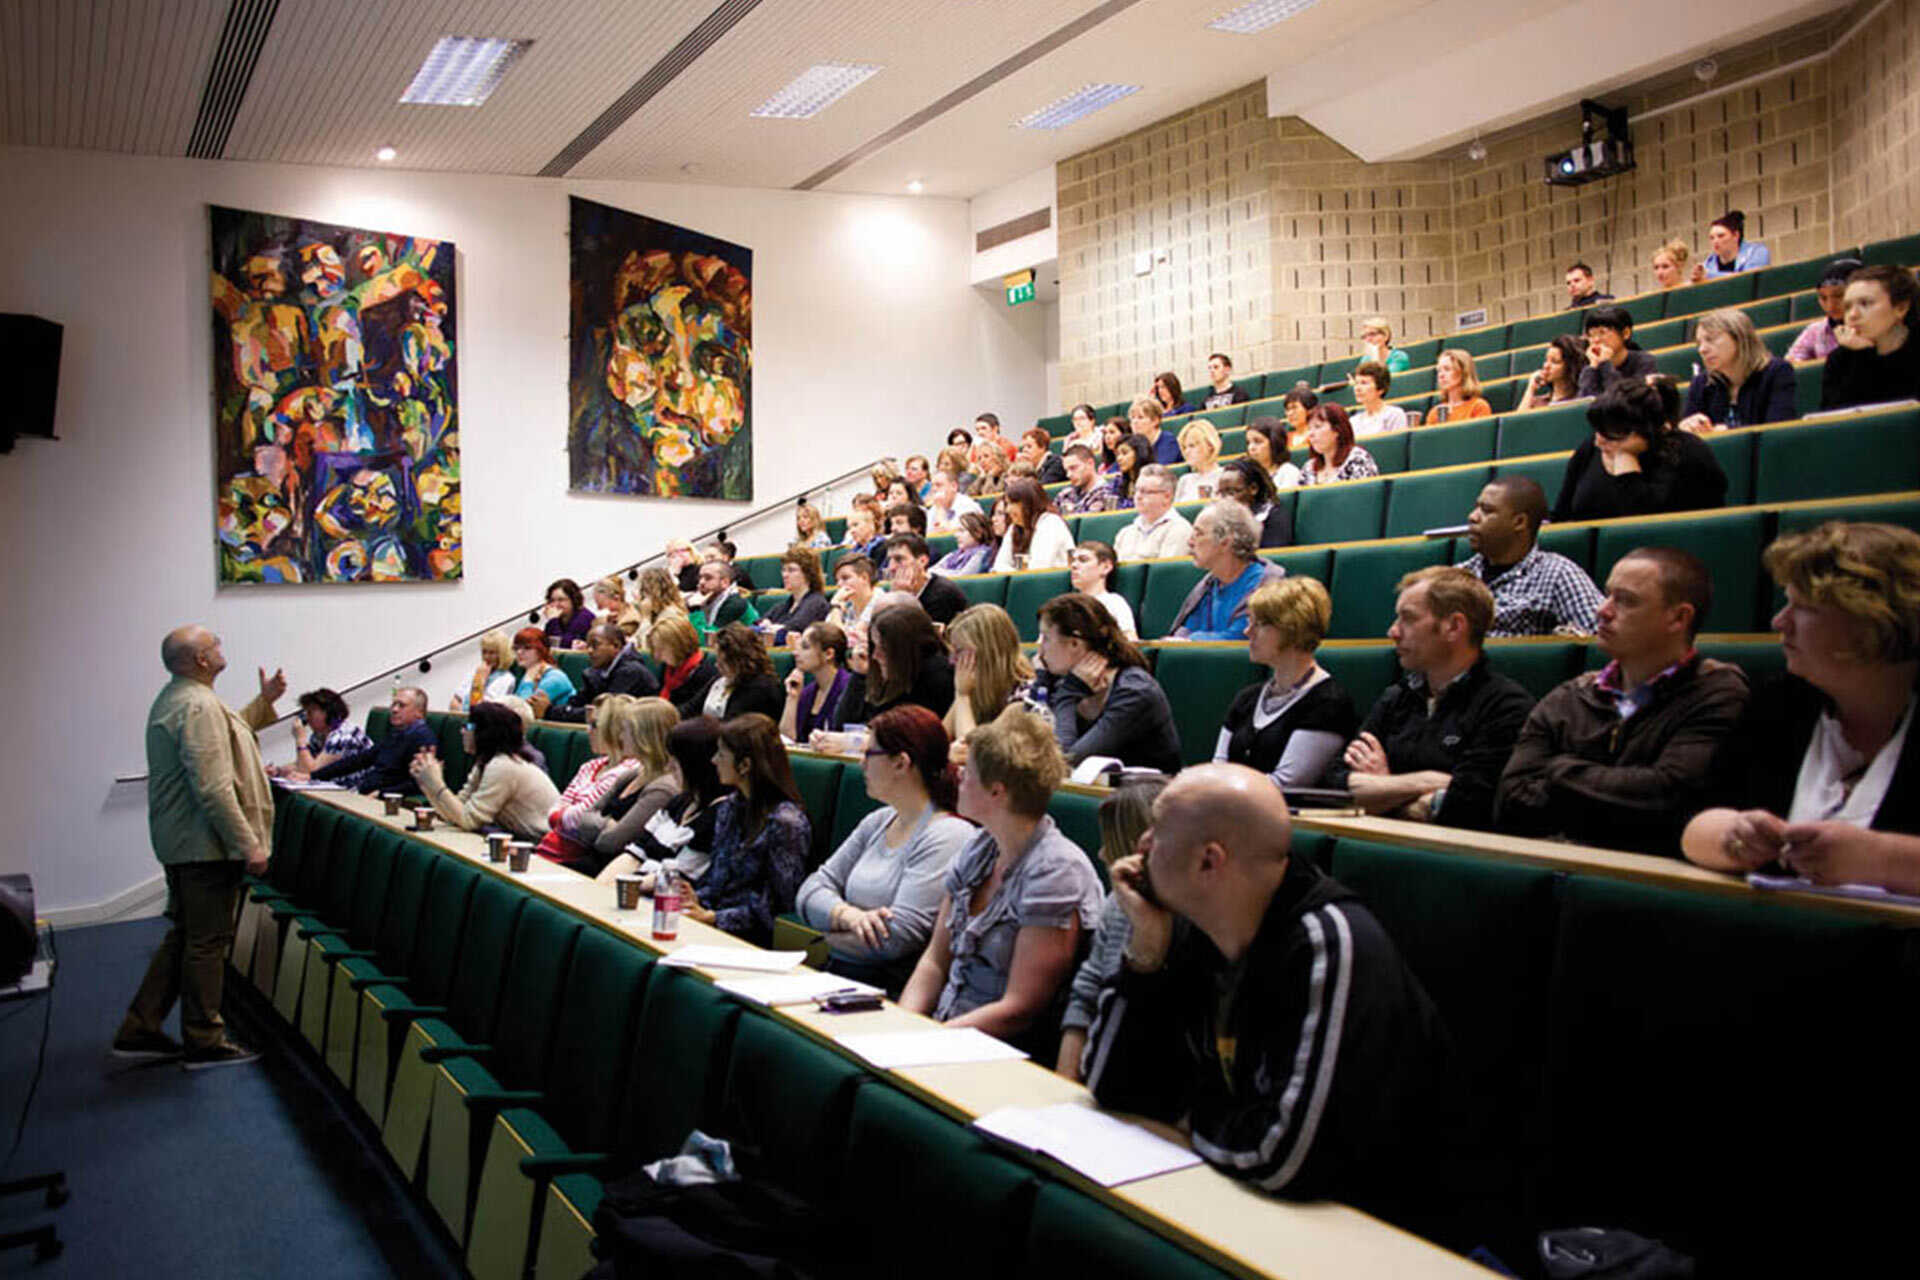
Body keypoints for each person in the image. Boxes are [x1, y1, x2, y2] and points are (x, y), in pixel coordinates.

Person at [1080, 764, 1455, 1226]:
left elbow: (1281, 1157)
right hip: (1243, 1202)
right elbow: (1111, 1086)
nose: (1141, 845)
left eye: (1157, 830)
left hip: (1369, 1232)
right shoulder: (1187, 927)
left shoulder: (1332, 945)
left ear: (1208, 861)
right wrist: (1146, 951)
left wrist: (1185, 1119)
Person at [1683, 522, 1920, 889]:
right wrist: (1733, 836)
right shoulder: (1779, 702)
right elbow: (1694, 824)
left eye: (1803, 607)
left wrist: (1882, 858)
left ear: (1873, 619)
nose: (1780, 621)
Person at [1498, 548, 1750, 855]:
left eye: (1626, 600)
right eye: (1607, 595)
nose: (1602, 610)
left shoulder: (1717, 694)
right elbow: (1510, 801)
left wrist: (1557, 770)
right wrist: (1619, 796)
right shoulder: (1569, 696)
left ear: (1678, 617)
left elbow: (1670, 799)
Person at [113, 627, 284, 1067]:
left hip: (184, 841)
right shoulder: (198, 705)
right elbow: (213, 787)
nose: (222, 648)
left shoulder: (182, 697)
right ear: (203, 660)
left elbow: (230, 734)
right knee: (208, 942)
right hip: (203, 846)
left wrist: (264, 702)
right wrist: (249, 844)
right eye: (216, 645)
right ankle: (204, 1039)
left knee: (187, 936)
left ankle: (141, 1026)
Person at [898, 706, 1103, 1040]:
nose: (958, 776)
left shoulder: (1057, 872)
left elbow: (1020, 1008)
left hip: (1000, 1051)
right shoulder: (979, 847)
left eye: (969, 771)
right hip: (943, 1033)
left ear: (997, 791)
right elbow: (935, 961)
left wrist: (926, 1040)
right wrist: (901, 1028)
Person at [1327, 567, 1535, 829]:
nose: (1393, 631)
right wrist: (1425, 782)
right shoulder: (1396, 698)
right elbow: (1334, 784)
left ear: (1453, 626)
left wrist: (1382, 789)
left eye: (1408, 619)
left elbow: (1469, 806)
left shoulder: (1506, 707)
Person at [796, 706, 975, 991]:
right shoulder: (878, 820)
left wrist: (828, 932)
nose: (861, 764)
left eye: (869, 754)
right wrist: (849, 916)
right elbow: (811, 888)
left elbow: (895, 940)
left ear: (901, 763)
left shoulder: (948, 835)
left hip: (889, 989)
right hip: (840, 974)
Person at [1054, 779, 1164, 1080]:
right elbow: (1085, 995)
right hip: (1092, 1078)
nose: (1101, 853)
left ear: (1139, 846)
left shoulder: (1191, 924)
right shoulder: (1115, 904)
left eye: (1110, 842)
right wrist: (1065, 1085)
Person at [1215, 577, 1358, 788]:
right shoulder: (1247, 698)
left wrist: (1217, 788)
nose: (1247, 632)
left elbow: (1286, 784)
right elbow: (1218, 766)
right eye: (1248, 622)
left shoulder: (1328, 703)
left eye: (1260, 624)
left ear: (1292, 628)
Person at [680, 714, 810, 947]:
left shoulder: (786, 823)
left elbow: (780, 907)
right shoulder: (729, 806)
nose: (713, 760)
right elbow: (717, 877)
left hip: (750, 936)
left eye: (721, 754)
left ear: (745, 765)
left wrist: (712, 918)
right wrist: (695, 896)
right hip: (713, 920)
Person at [1034, 593, 1182, 773]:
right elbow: (1024, 748)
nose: (1040, 650)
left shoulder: (1134, 691)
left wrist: (1067, 695)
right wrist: (1041, 681)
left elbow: (1065, 762)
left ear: (1075, 643)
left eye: (1046, 638)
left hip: (1145, 796)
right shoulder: (1063, 681)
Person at [1551, 381, 1729, 523]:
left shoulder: (1688, 453)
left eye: (1611, 435)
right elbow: (1562, 515)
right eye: (1597, 430)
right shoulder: (1590, 448)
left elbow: (1644, 526)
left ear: (1645, 431)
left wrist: (1625, 461)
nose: (1599, 441)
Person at [596, 716, 734, 889]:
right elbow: (634, 854)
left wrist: (622, 888)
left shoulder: (720, 816)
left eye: (675, 763)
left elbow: (677, 877)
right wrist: (600, 888)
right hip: (633, 889)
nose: (668, 768)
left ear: (696, 767)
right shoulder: (678, 802)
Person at [1458, 477, 1603, 636]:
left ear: (1519, 522)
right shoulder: (1457, 575)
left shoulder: (1558, 574)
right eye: (1476, 507)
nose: (1472, 517)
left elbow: (1600, 634)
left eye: (1487, 510)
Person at [554, 697, 683, 876]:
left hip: (610, 873)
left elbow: (609, 843)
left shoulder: (663, 788)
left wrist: (602, 825)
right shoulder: (632, 774)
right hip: (588, 862)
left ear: (644, 736)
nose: (621, 737)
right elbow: (583, 819)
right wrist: (609, 824)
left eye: (626, 731)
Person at [411, 701, 562, 839]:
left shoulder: (503, 765)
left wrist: (437, 783)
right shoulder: (486, 762)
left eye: (469, 727)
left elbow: (468, 820)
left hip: (542, 844)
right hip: (523, 839)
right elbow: (453, 813)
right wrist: (427, 783)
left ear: (486, 732)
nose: (462, 732)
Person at [534, 694, 641, 867]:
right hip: (549, 848)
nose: (587, 730)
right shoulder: (591, 766)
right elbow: (554, 811)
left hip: (578, 860)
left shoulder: (628, 771)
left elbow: (582, 818)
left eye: (594, 725)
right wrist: (565, 816)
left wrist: (563, 816)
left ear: (613, 729)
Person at [1169, 502, 1289, 641]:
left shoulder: (1265, 584)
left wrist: (1190, 641)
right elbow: (1185, 630)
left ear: (1225, 542)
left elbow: (1242, 637)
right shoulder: (1208, 585)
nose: (1190, 542)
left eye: (1198, 534)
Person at [1678, 308, 1798, 432]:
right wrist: (1685, 428)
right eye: (1699, 343)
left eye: (1711, 339)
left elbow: (1778, 429)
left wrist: (1727, 431)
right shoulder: (1701, 383)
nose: (1702, 349)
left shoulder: (1777, 372)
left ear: (1739, 338)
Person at [1820, 263, 1920, 409]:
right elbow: (1836, 422)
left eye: (1865, 304)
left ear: (1901, 308)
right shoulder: (1840, 359)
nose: (1852, 315)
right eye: (1847, 307)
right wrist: (1863, 354)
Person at [944, 604, 1039, 755]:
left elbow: (977, 755)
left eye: (959, 651)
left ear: (987, 651)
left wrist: (963, 696)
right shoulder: (974, 686)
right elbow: (936, 743)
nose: (952, 660)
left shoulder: (1024, 697)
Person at [843, 602, 955, 725]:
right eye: (874, 646)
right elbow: (843, 724)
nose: (875, 656)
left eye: (884, 648)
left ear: (905, 648)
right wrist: (859, 675)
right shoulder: (896, 669)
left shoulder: (938, 679)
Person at [308, 686, 436, 793]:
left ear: (419, 712)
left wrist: (381, 794)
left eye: (401, 705)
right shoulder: (396, 734)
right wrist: (313, 777)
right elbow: (360, 760)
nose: (394, 709)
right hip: (368, 792)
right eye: (393, 704)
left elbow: (418, 783)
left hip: (387, 800)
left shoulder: (422, 738)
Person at [543, 622, 661, 724]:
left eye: (595, 645)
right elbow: (579, 702)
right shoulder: (598, 670)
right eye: (588, 646)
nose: (589, 651)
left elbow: (603, 714)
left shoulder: (630, 672)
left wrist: (550, 711)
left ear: (616, 646)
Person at [781, 622, 855, 742]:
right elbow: (787, 740)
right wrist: (792, 698)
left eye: (805, 647)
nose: (795, 653)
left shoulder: (849, 689)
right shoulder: (807, 692)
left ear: (828, 654)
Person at [701, 624, 785, 723]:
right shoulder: (723, 678)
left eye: (722, 662)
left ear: (737, 661)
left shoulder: (760, 688)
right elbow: (691, 708)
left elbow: (730, 727)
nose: (716, 665)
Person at [1786, 258, 1863, 363]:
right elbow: (1792, 362)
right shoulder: (1815, 331)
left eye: (1839, 296)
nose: (1830, 306)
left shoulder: (1877, 328)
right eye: (1823, 298)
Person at [1574, 308, 1656, 405]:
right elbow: (1584, 403)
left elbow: (1624, 401)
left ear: (1626, 333)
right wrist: (1592, 367)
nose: (1595, 340)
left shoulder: (1644, 361)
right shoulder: (1591, 367)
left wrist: (1605, 364)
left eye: (1602, 333)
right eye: (1591, 335)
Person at [282, 687, 370, 777]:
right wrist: (278, 771)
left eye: (310, 712)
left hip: (357, 787)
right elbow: (303, 764)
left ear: (327, 712)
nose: (307, 718)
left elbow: (311, 771)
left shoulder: (342, 736)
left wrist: (300, 739)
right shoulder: (318, 736)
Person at [884, 533, 969, 625]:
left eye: (899, 559)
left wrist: (902, 599)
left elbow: (917, 636)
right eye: (889, 560)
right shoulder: (895, 589)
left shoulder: (943, 594)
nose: (891, 567)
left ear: (922, 561)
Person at [1113, 464, 1193, 562]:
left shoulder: (1179, 530)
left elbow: (1164, 573)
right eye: (1136, 490)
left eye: (1145, 492)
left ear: (1167, 496)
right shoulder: (1125, 533)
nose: (1138, 496)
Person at [991, 477, 1073, 572]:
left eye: (1012, 503)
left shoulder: (1051, 523)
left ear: (1028, 504)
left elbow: (1038, 571)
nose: (1007, 510)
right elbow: (999, 566)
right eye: (1007, 504)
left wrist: (1013, 572)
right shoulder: (1015, 528)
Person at [649, 614, 719, 719]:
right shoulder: (667, 667)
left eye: (661, 649)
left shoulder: (705, 673)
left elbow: (692, 712)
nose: (657, 655)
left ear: (679, 645)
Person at [757, 546, 831, 645]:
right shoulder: (783, 606)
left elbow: (791, 631)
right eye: (783, 570)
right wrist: (768, 627)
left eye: (791, 570)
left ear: (808, 574)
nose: (785, 575)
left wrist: (770, 629)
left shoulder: (816, 603)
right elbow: (755, 628)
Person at [1215, 458, 1294, 550]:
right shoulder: (1219, 518)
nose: (1226, 499)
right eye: (1221, 493)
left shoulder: (1273, 516)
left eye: (1232, 492)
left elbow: (1273, 556)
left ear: (1253, 489)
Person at [1067, 541, 1138, 638]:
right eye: (1073, 561)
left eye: (1083, 560)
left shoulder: (1114, 603)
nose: (1074, 565)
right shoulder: (1065, 605)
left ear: (1106, 567)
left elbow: (1130, 643)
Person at [1299, 404, 1379, 485]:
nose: (1311, 434)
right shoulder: (1309, 468)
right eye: (1309, 428)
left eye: (1317, 427)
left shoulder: (1357, 460)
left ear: (1337, 430)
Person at [510, 627, 576, 717]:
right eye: (516, 648)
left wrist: (528, 681)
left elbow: (524, 711)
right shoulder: (528, 672)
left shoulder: (555, 677)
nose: (519, 652)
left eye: (527, 648)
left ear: (541, 650)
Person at [1513, 335, 1586, 412]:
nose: (1546, 366)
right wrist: (1531, 389)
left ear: (1570, 366)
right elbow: (1519, 421)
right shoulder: (1536, 403)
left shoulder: (1579, 401)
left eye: (1554, 361)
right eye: (1546, 360)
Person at [1691, 210, 1771, 279]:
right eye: (1712, 238)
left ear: (1736, 236)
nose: (1715, 241)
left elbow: (1748, 280)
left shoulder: (1757, 252)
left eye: (1721, 236)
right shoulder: (1708, 264)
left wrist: (1709, 276)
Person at [689, 558, 754, 639]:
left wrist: (695, 609)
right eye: (700, 578)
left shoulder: (735, 604)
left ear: (725, 582)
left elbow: (707, 641)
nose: (701, 582)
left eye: (708, 578)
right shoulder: (704, 599)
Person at [630, 567, 688, 657]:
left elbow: (649, 651)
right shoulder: (657, 613)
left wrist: (645, 619)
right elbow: (637, 640)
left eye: (643, 592)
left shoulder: (670, 615)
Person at [1428, 348, 1493, 423]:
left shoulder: (1478, 407)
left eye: (1447, 369)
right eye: (1439, 370)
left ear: (1463, 373)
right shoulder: (1435, 413)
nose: (1441, 375)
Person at [460, 630, 518, 711]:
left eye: (491, 653)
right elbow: (456, 700)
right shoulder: (475, 671)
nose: (486, 657)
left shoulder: (506, 678)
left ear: (501, 654)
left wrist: (480, 680)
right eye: (484, 652)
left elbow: (481, 706)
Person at [1349, 361, 1409, 436]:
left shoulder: (1394, 415)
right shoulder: (1353, 421)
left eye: (1364, 383)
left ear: (1380, 389)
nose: (1357, 388)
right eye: (1356, 383)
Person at [826, 553, 880, 637]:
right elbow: (825, 633)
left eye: (845, 578)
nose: (839, 584)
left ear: (864, 578)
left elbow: (848, 639)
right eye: (837, 580)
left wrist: (835, 606)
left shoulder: (879, 601)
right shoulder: (848, 602)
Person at [1055, 443, 1116, 516]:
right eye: (1066, 470)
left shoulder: (1106, 493)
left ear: (1090, 463)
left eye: (1073, 468)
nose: (1068, 475)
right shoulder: (1065, 494)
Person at [1173, 420, 1225, 503]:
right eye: (1184, 447)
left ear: (1209, 445)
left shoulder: (1225, 476)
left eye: (1192, 446)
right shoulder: (1184, 480)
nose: (1187, 451)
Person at [931, 512, 995, 577]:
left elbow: (962, 576)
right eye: (957, 531)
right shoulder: (953, 554)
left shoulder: (981, 554)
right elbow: (930, 571)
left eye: (961, 531)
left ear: (978, 533)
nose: (956, 535)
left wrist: (941, 572)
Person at [1246, 417, 1303, 489]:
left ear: (1274, 443)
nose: (1251, 448)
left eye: (1258, 441)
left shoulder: (1288, 472)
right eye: (1248, 443)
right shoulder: (1248, 475)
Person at [541, 578, 595, 650]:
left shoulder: (584, 618)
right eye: (552, 600)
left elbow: (564, 646)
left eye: (561, 600)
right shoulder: (555, 620)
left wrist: (553, 621)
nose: (555, 605)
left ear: (573, 600)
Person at [926, 467, 983, 533]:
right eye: (932, 486)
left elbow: (950, 537)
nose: (934, 489)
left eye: (938, 485)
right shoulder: (933, 509)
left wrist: (940, 510)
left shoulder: (967, 506)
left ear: (954, 486)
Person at [1129, 396, 1181, 464]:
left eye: (1140, 417)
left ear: (1155, 420)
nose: (1135, 422)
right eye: (1133, 418)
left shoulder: (1169, 441)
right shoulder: (1133, 444)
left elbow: (1159, 469)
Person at [1111, 432, 1153, 508]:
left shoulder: (1153, 481)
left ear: (1139, 453)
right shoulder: (1118, 481)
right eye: (1117, 454)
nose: (1119, 458)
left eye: (1124, 453)